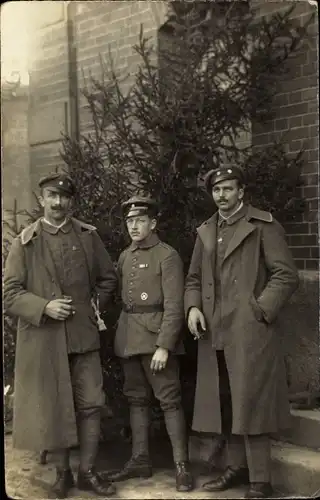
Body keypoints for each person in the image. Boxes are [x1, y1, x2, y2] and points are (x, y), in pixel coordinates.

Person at [184, 165, 299, 499]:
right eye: (217, 190)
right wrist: (192, 307)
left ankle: (261, 480)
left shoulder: (263, 225)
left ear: (241, 192)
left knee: (253, 401)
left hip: (250, 332)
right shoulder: (205, 230)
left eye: (229, 189)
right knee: (227, 400)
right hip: (214, 331)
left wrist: (259, 310)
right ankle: (235, 469)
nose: (222, 196)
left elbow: (285, 275)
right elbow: (192, 278)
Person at [4, 173, 118, 499]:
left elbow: (108, 278)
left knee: (92, 403)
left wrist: (94, 307)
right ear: (41, 199)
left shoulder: (87, 236)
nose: (58, 203)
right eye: (52, 196)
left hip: (83, 338)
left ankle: (88, 472)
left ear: (71, 201)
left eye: (64, 197)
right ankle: (61, 474)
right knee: (56, 406)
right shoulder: (25, 242)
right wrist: (44, 307)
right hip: (46, 340)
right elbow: (9, 293)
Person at [106, 195, 194, 492]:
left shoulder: (166, 256)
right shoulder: (124, 256)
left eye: (140, 220)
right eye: (129, 221)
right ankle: (139, 459)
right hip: (129, 338)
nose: (134, 226)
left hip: (156, 339)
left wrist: (164, 345)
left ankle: (182, 466)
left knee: (169, 400)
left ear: (153, 223)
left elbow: (174, 305)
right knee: (136, 399)